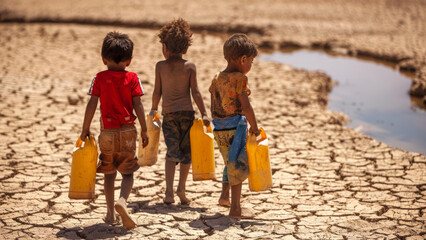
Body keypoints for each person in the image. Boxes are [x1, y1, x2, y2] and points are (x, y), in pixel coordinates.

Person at [79, 31, 149, 229]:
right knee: (128, 173)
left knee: (109, 173)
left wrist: (85, 129)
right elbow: (138, 105)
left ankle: (110, 213)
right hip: (128, 131)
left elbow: (92, 104)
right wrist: (144, 129)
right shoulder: (133, 78)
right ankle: (123, 202)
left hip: (107, 133)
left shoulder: (99, 78)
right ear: (129, 60)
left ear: (103, 59)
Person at [151, 18, 210, 205]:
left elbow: (157, 91)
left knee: (171, 153)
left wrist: (153, 109)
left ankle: (169, 192)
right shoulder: (190, 66)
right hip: (187, 115)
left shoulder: (160, 66)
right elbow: (196, 93)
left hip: (169, 115)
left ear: (165, 47)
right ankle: (181, 190)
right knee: (187, 155)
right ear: (185, 48)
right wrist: (205, 113)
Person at [209, 33, 260, 218]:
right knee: (237, 166)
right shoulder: (239, 79)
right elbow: (246, 107)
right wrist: (254, 128)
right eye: (251, 61)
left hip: (220, 128)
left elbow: (213, 105)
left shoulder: (216, 77)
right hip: (235, 127)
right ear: (243, 58)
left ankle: (224, 196)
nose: (251, 66)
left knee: (227, 162)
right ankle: (236, 209)